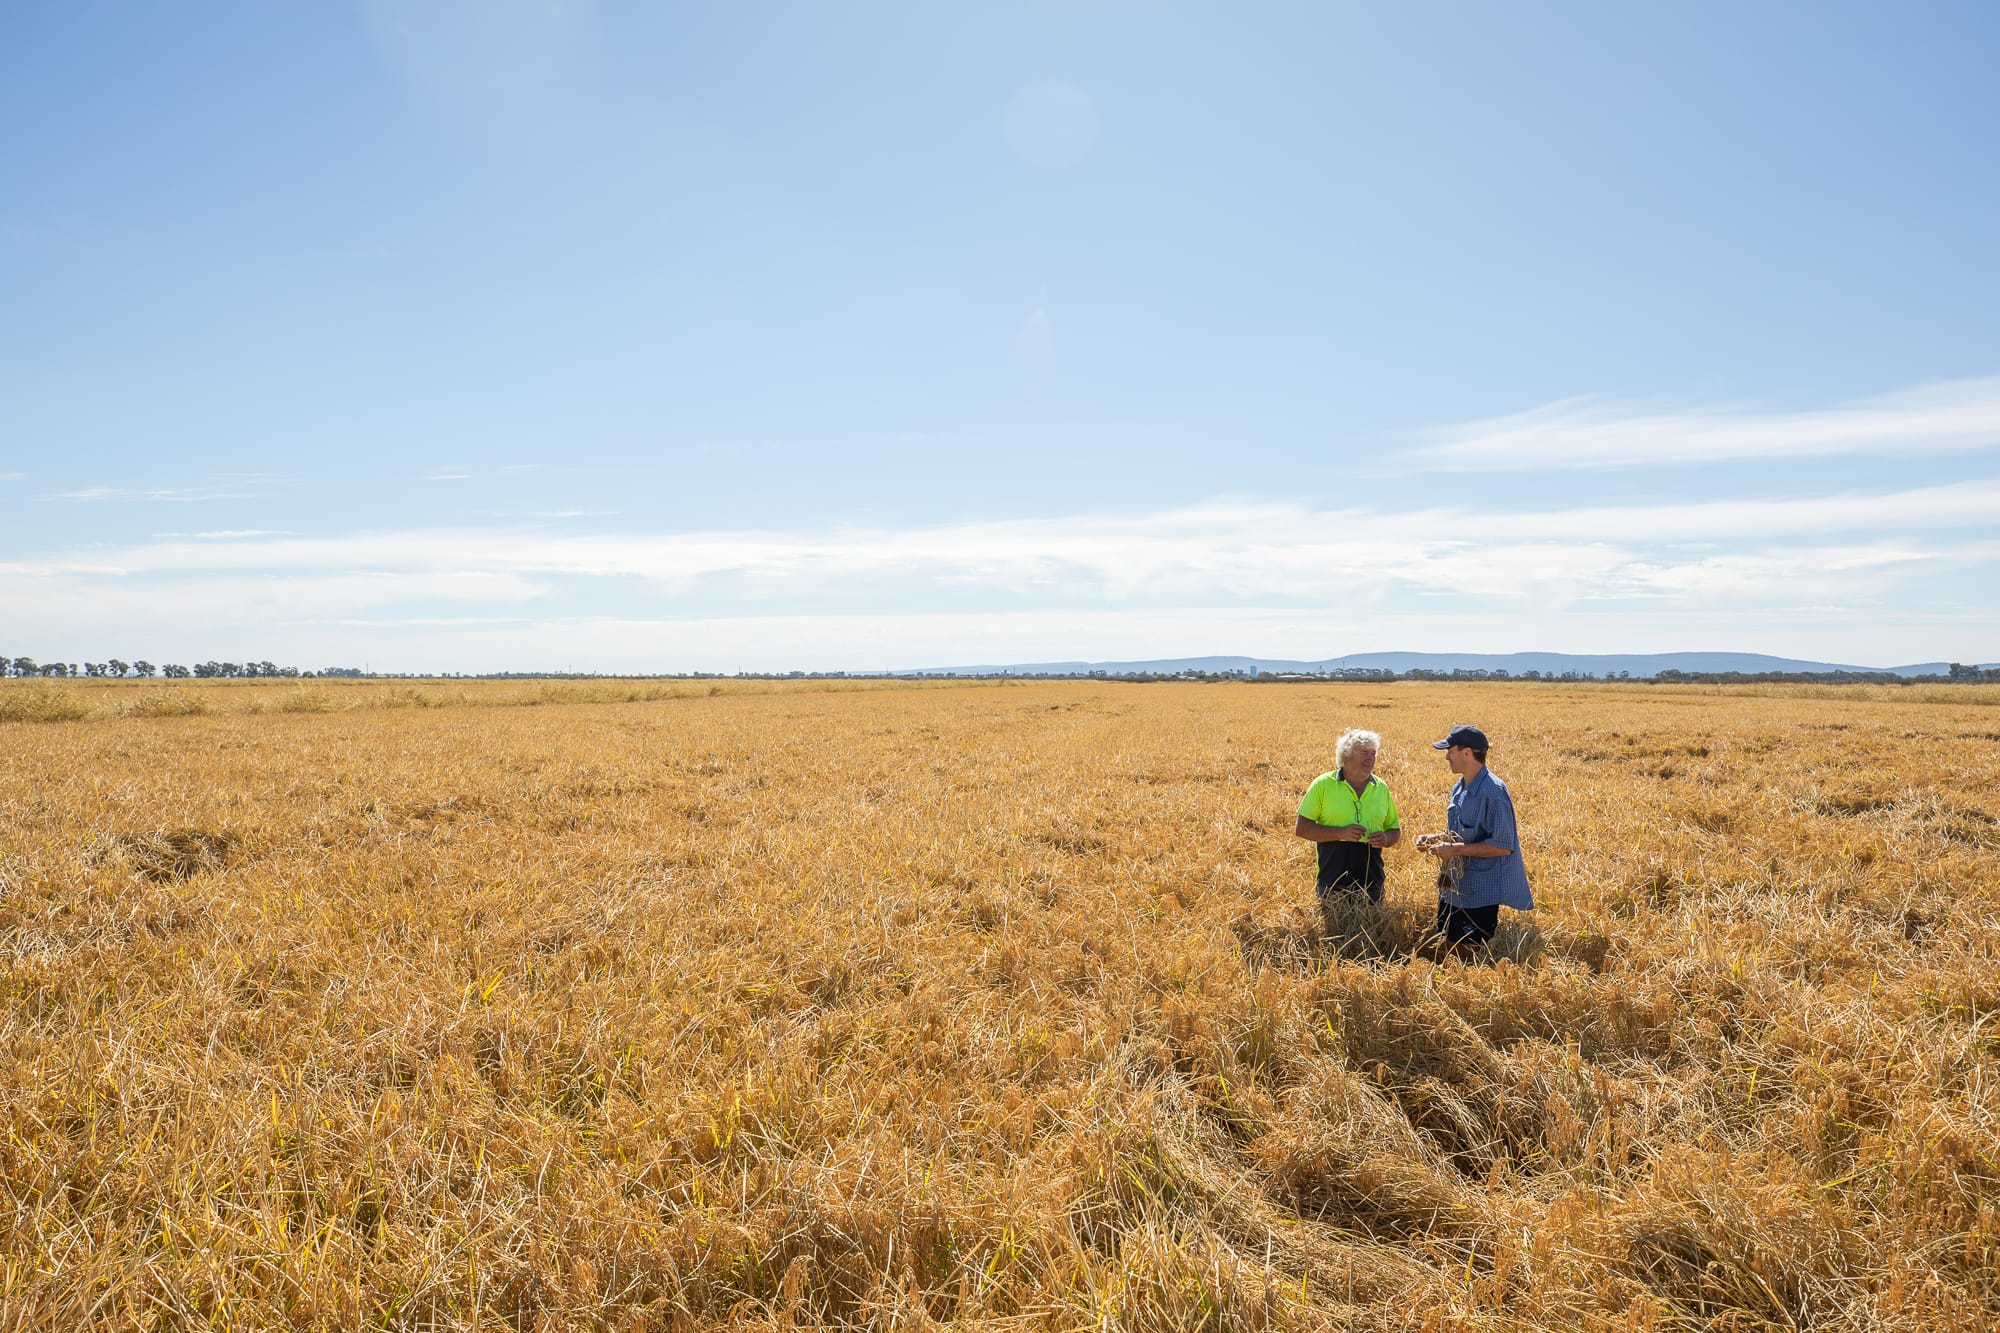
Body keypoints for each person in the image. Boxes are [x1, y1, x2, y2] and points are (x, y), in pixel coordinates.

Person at [1421, 724, 1532, 959]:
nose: (1447, 757)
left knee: (1467, 952)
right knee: (1448, 941)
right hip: (1455, 886)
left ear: (1467, 753)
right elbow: (1460, 834)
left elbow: (1502, 846)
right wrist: (1436, 839)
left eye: (1450, 751)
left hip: (1479, 892)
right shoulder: (1459, 787)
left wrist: (1455, 849)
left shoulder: (1493, 792)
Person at [1295, 728, 1401, 922]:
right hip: (1332, 883)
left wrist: (1386, 838)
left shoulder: (1381, 788)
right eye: (1364, 753)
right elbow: (1302, 828)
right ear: (1345, 756)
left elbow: (1395, 831)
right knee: (1335, 938)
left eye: (1373, 753)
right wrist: (1340, 833)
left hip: (1372, 883)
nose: (1370, 758)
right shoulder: (1322, 785)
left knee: (1372, 937)